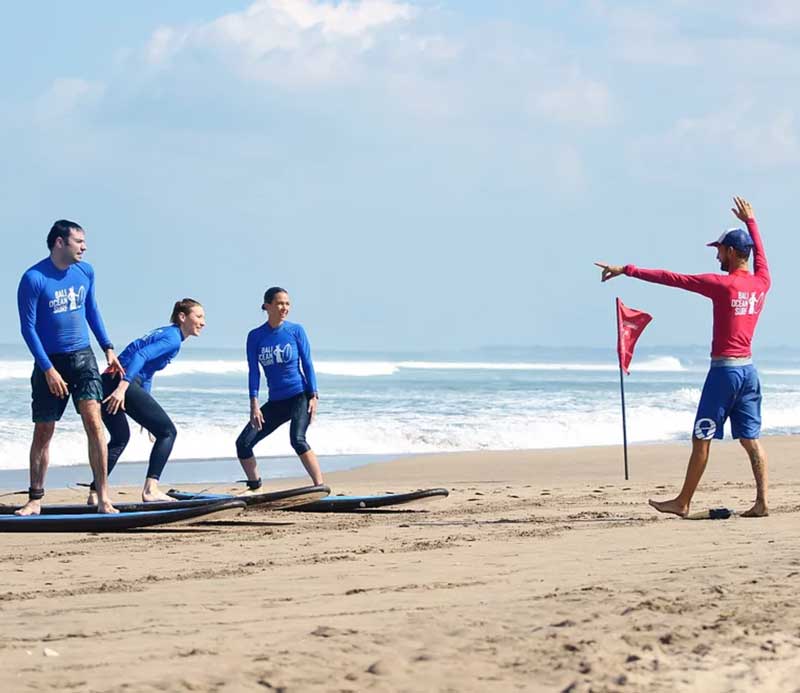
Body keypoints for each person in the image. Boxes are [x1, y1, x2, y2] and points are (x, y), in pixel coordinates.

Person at [595, 196, 771, 518]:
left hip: (725, 374)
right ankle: (761, 502)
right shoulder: (762, 283)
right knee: (750, 439)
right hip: (749, 372)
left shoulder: (722, 285)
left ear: (731, 252)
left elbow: (672, 278)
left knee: (701, 436)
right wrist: (752, 223)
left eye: (719, 249)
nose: (716, 254)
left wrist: (626, 270)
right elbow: (761, 256)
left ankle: (683, 502)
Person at [16, 220, 123, 515]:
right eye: (78, 241)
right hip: (50, 362)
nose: (84, 247)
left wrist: (108, 347)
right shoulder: (34, 278)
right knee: (44, 430)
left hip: (83, 358)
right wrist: (48, 369)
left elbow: (92, 310)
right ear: (60, 243)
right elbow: (28, 329)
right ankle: (35, 498)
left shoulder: (85, 271)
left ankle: (103, 497)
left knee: (94, 422)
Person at [92, 299, 206, 503]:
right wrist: (123, 388)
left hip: (106, 381)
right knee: (168, 432)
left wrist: (146, 407)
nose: (203, 322)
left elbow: (148, 371)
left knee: (120, 437)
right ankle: (150, 489)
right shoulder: (173, 339)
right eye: (198, 316)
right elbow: (141, 355)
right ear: (182, 317)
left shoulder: (165, 332)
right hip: (120, 382)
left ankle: (95, 492)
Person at [235, 287, 324, 489]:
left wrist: (314, 395)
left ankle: (319, 486)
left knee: (297, 439)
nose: (284, 307)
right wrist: (254, 405)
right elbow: (254, 372)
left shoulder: (295, 330)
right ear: (267, 306)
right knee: (243, 443)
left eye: (287, 303)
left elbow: (307, 363)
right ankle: (255, 485)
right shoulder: (255, 336)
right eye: (279, 303)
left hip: (299, 396)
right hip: (276, 401)